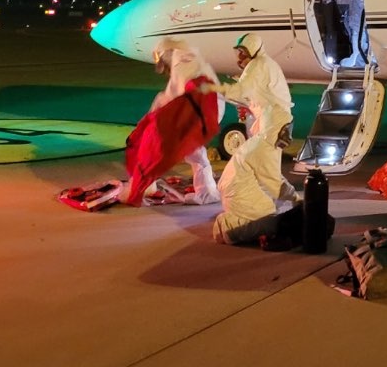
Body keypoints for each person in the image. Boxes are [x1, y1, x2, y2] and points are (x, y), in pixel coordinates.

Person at [204, 32, 299, 244]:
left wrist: (214, 88)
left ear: (254, 50)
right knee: (258, 166)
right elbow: (251, 94)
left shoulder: (258, 65)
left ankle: (294, 202)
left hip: (273, 124)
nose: (239, 57)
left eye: (243, 52)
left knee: (264, 171)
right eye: (238, 52)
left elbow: (241, 90)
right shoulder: (262, 64)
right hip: (272, 122)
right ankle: (291, 202)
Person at [123, 38, 223, 206]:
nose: (165, 70)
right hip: (206, 109)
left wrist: (151, 119)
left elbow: (174, 97)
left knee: (192, 152)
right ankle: (206, 191)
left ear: (166, 56)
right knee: (194, 152)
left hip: (199, 112)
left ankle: (207, 192)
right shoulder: (188, 57)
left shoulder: (181, 64)